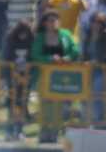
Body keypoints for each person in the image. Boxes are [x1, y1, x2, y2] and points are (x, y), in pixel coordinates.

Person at [31, 10, 81, 141]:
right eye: (50, 21)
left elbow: (75, 50)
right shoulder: (40, 37)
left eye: (55, 20)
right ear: (45, 23)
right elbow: (35, 54)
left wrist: (67, 58)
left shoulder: (66, 35)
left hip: (62, 77)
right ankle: (44, 131)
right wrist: (49, 59)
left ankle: (55, 131)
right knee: (45, 105)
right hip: (44, 77)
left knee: (59, 106)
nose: (53, 23)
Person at [2, 19, 35, 138]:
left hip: (26, 78)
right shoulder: (10, 41)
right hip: (12, 77)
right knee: (11, 103)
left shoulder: (31, 42)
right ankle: (9, 130)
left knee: (22, 103)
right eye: (21, 32)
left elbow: (33, 58)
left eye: (25, 32)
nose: (23, 35)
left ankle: (19, 129)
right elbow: (6, 58)